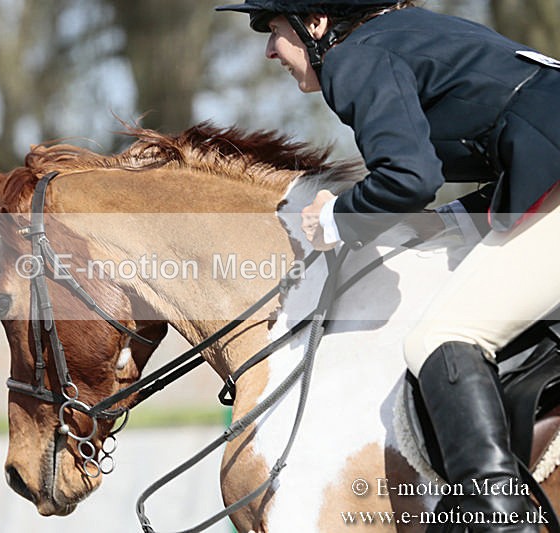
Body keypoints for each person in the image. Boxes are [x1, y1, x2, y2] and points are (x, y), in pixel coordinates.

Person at [216, 1, 560, 531]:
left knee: (443, 335)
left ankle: (497, 514)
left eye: (275, 30)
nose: (268, 49)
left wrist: (336, 217)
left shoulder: (355, 59)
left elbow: (408, 178)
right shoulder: (411, 34)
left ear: (316, 24)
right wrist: (448, 220)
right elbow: (521, 138)